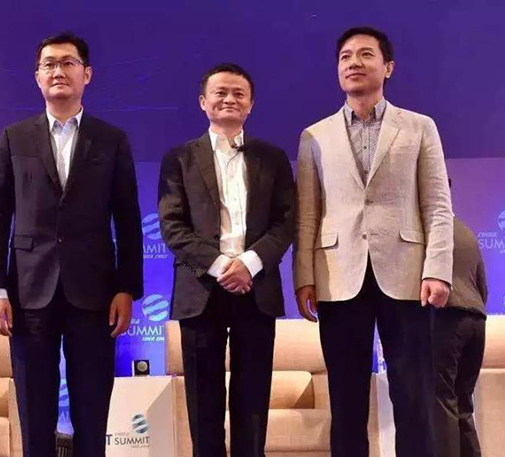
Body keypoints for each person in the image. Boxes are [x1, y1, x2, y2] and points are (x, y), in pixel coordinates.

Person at [293, 26, 454, 457]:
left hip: (408, 276)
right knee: (345, 401)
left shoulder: (419, 127)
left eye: (365, 54)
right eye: (345, 56)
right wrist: (304, 276)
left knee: (413, 396)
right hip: (337, 276)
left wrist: (438, 269)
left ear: (388, 67)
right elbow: (307, 214)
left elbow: (438, 205)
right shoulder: (314, 136)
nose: (354, 63)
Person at [0, 33, 143, 457]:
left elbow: (128, 219)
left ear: (86, 74)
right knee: (35, 408)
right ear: (37, 77)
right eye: (49, 64)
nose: (58, 71)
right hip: (28, 293)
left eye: (68, 63)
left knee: (92, 406)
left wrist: (127, 288)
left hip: (95, 292)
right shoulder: (15, 138)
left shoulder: (111, 140)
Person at [158, 63, 295, 457]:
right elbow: (172, 226)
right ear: (203, 102)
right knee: (204, 403)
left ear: (251, 104)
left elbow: (286, 222)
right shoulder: (179, 158)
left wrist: (249, 263)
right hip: (201, 290)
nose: (229, 99)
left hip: (256, 288)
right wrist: (222, 267)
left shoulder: (272, 158)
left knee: (253, 402)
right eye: (220, 92)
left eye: (239, 93)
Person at [434, 181, 488, 457]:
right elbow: (483, 288)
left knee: (442, 402)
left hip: (447, 319)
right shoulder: (467, 232)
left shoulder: (431, 232)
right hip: (476, 321)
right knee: (463, 404)